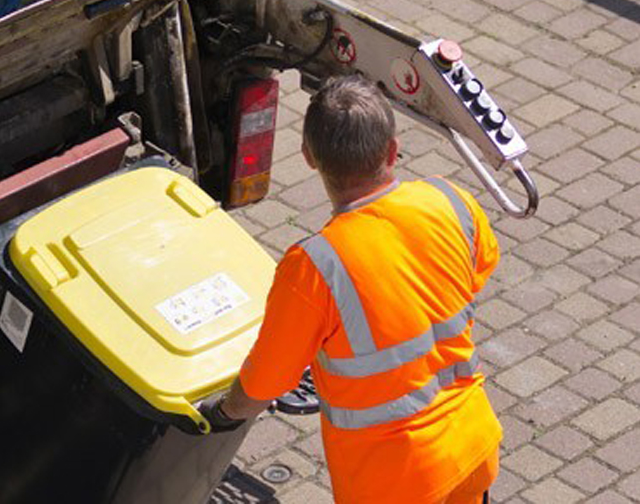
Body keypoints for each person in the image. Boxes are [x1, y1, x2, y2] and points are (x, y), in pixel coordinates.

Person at [201, 75, 502, 504]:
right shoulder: (449, 200)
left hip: (393, 482)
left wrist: (225, 412)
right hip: (472, 448)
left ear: (308, 157)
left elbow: (268, 380)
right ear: (393, 150)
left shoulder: (316, 266)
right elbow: (479, 266)